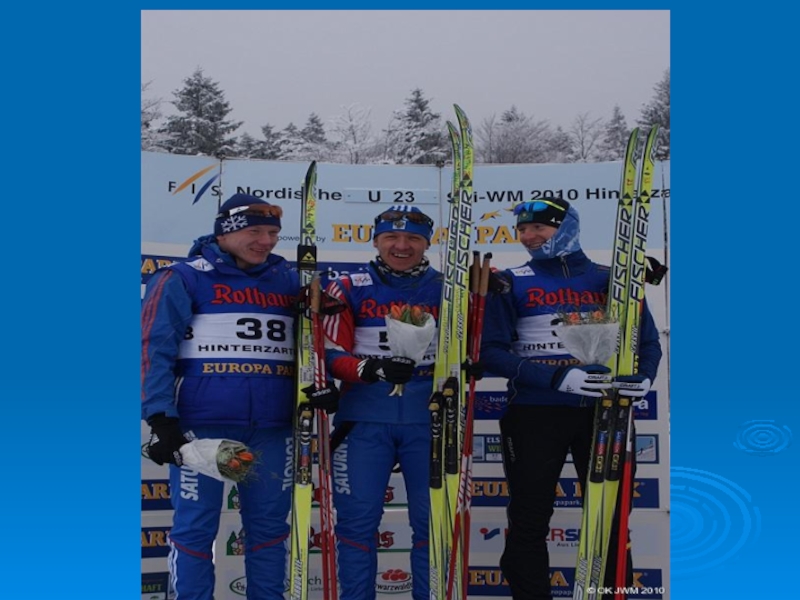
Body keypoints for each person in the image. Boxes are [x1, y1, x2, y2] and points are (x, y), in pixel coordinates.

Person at [141, 193, 337, 600]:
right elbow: (152, 349)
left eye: (273, 233)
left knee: (269, 529)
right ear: (225, 233)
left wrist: (323, 379)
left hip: (274, 428)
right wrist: (161, 419)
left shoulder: (291, 281)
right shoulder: (183, 277)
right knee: (195, 528)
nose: (266, 241)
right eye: (255, 232)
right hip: (201, 429)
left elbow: (316, 346)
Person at [479, 197, 662, 600]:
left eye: (539, 227)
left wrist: (645, 377)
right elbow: (490, 352)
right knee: (529, 518)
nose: (528, 236)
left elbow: (647, 342)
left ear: (567, 228)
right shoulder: (511, 282)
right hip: (534, 413)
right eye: (522, 229)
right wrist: (556, 377)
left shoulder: (611, 279)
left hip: (604, 413)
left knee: (610, 518)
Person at [321, 205, 442, 600]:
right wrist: (371, 369)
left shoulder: (448, 288)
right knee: (356, 525)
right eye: (391, 236)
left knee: (432, 525)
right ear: (376, 241)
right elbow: (330, 354)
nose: (401, 245)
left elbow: (473, 349)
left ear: (427, 243)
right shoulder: (347, 286)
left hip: (429, 421)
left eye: (413, 239)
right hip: (364, 421)